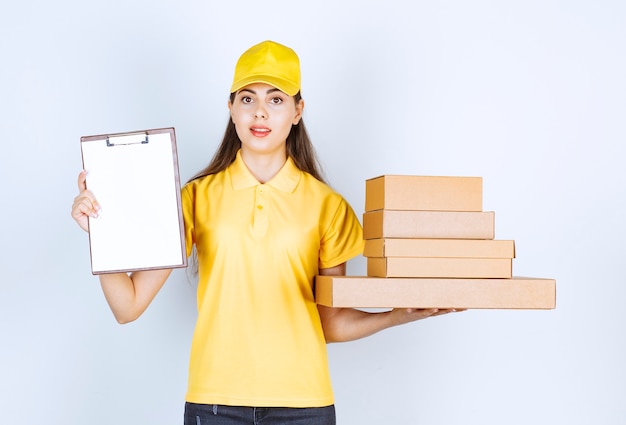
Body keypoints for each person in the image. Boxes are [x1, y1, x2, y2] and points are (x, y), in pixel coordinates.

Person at [71, 40, 458, 425]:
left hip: (305, 405)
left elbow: (330, 323)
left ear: (297, 111)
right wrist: (103, 234)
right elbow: (128, 306)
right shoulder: (194, 198)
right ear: (231, 109)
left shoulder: (328, 205)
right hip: (214, 403)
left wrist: (396, 316)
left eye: (276, 100)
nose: (260, 112)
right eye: (247, 98)